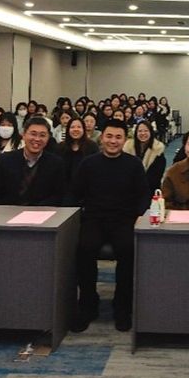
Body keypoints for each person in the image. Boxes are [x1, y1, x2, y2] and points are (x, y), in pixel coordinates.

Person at [70, 120, 149, 333]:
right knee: (84, 248)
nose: (113, 141)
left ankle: (122, 307)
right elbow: (75, 193)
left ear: (125, 140)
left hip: (124, 220)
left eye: (118, 137)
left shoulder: (134, 164)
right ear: (101, 138)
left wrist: (139, 215)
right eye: (109, 136)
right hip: (94, 218)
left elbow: (144, 195)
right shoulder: (88, 164)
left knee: (128, 250)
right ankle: (88, 304)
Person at [0, 117, 69, 206]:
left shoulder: (56, 163)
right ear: (23, 135)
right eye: (33, 134)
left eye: (42, 135)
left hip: (41, 211)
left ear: (48, 138)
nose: (37, 139)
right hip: (8, 210)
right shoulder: (5, 160)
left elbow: (58, 195)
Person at [123, 120, 166, 192]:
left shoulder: (158, 150)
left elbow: (156, 177)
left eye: (146, 131)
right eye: (140, 131)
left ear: (151, 132)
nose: (143, 133)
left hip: (150, 189)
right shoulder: (128, 148)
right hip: (129, 188)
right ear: (136, 133)